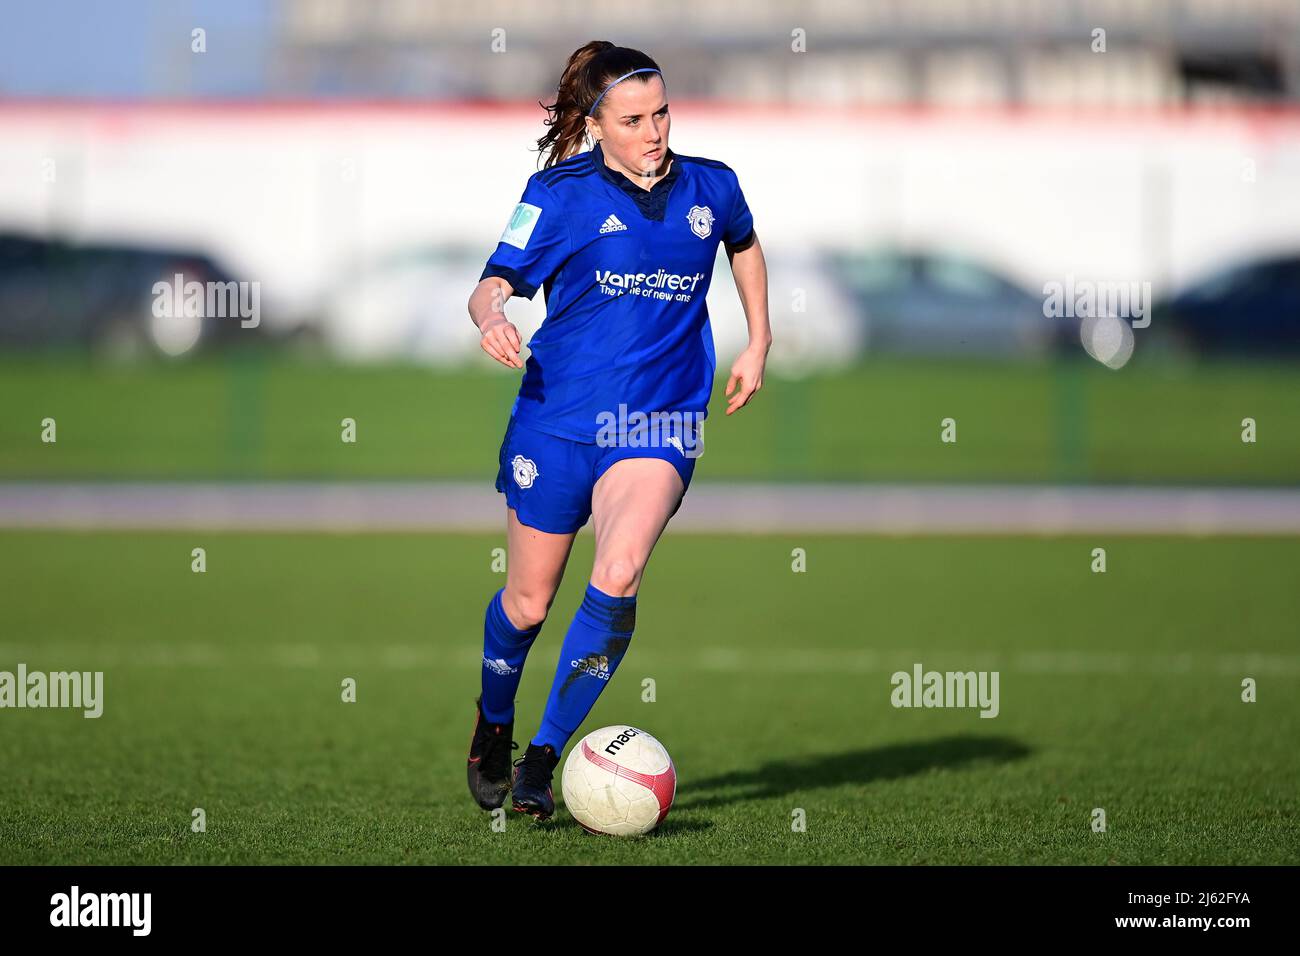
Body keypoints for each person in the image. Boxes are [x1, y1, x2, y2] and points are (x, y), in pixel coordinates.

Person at [465, 40, 771, 820]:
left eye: (662, 111)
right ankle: (493, 723)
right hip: (556, 422)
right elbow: (493, 280)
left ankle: (542, 757)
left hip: (657, 421)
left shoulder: (713, 185)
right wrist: (493, 314)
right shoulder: (558, 193)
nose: (655, 130)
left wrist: (759, 337)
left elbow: (742, 242)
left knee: (622, 570)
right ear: (595, 123)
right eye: (633, 118)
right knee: (529, 605)